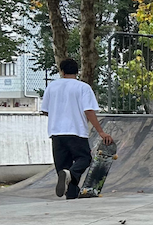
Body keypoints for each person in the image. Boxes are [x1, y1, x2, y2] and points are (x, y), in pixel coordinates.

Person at [40, 58, 114, 199]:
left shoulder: (52, 87)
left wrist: (58, 113)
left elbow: (45, 110)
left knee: (63, 167)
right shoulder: (83, 87)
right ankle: (70, 175)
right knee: (84, 159)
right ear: (77, 71)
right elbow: (89, 111)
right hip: (76, 132)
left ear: (61, 71)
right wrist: (101, 131)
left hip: (56, 133)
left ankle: (71, 196)